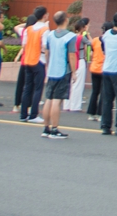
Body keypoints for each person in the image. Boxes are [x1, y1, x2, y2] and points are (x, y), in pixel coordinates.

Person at [40, 11, 78, 139]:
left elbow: (47, 52)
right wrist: (74, 72)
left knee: (49, 99)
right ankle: (55, 129)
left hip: (52, 70)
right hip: (63, 70)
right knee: (57, 100)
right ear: (66, 20)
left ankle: (46, 128)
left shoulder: (50, 35)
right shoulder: (70, 36)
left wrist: (48, 65)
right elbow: (71, 55)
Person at [15, 6, 49, 123]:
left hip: (28, 60)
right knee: (38, 89)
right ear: (44, 16)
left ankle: (23, 115)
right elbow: (45, 46)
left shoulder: (28, 29)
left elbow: (24, 45)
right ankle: (33, 115)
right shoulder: (45, 29)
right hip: (39, 60)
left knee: (27, 88)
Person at [85, 19, 106, 120]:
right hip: (103, 68)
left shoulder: (96, 40)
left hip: (94, 68)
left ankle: (91, 113)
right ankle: (100, 114)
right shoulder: (108, 41)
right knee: (103, 92)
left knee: (95, 91)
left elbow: (91, 54)